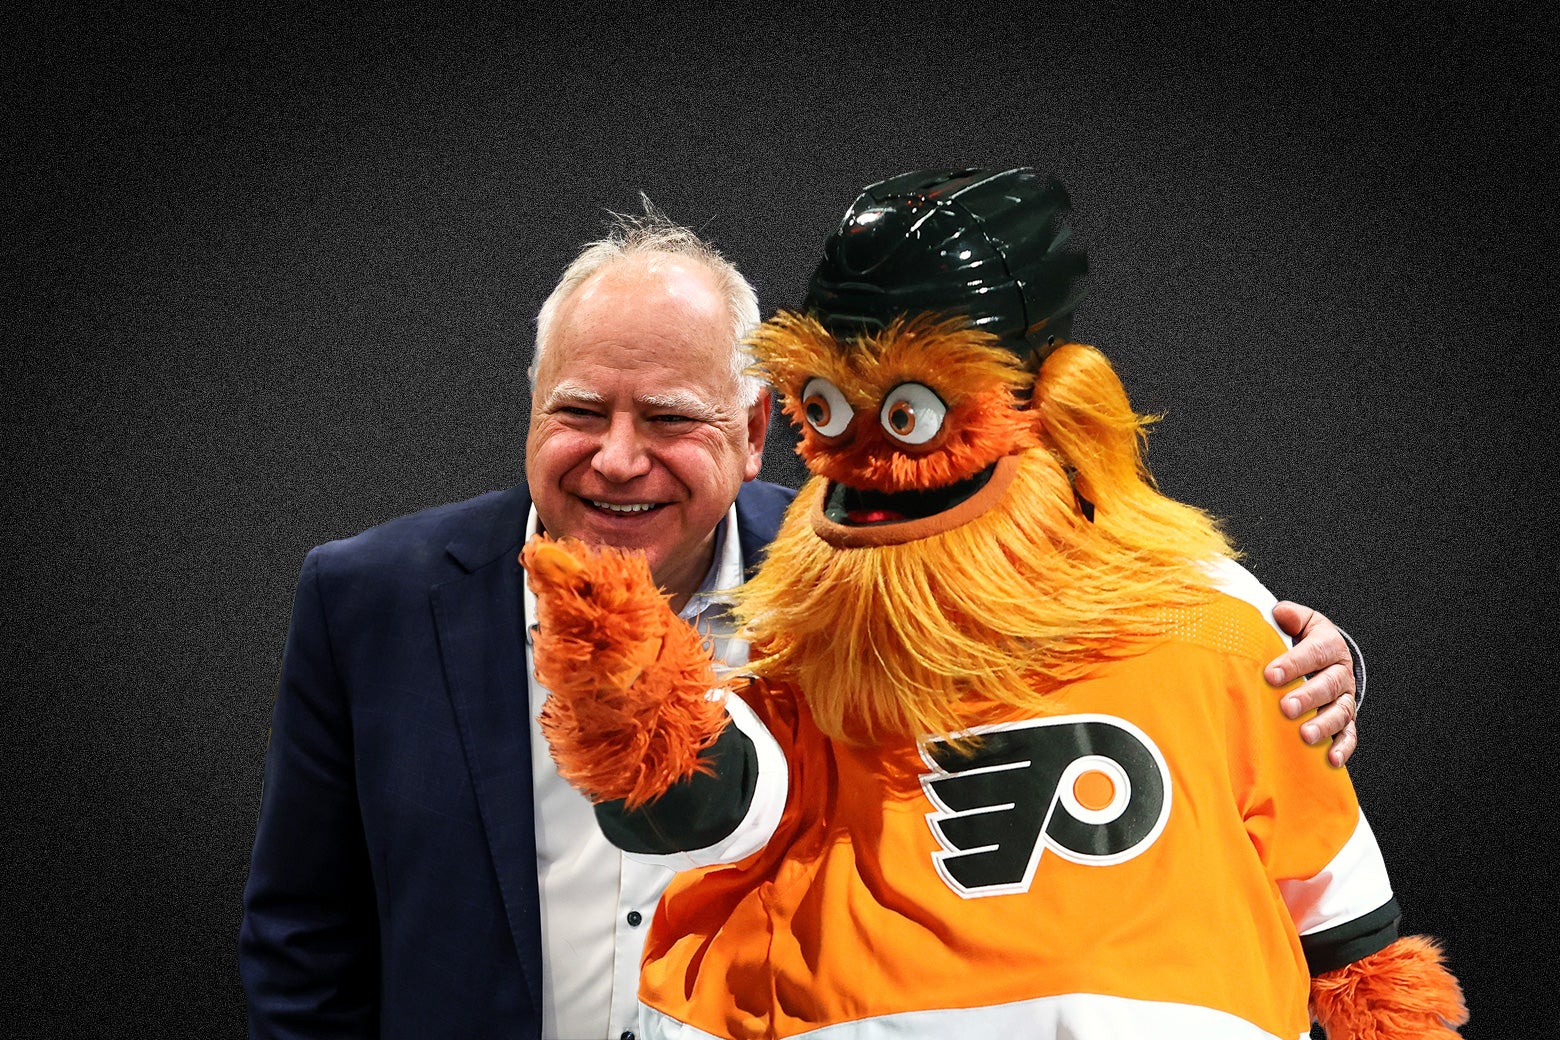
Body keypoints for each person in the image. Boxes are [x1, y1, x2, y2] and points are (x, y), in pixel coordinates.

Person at [239, 201, 1364, 1040]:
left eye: (668, 417)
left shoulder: (865, 571)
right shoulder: (370, 594)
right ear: (531, 409)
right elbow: (306, 937)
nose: (615, 456)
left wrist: (1315, 654)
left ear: (753, 428)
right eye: (578, 411)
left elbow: (1099, 611)